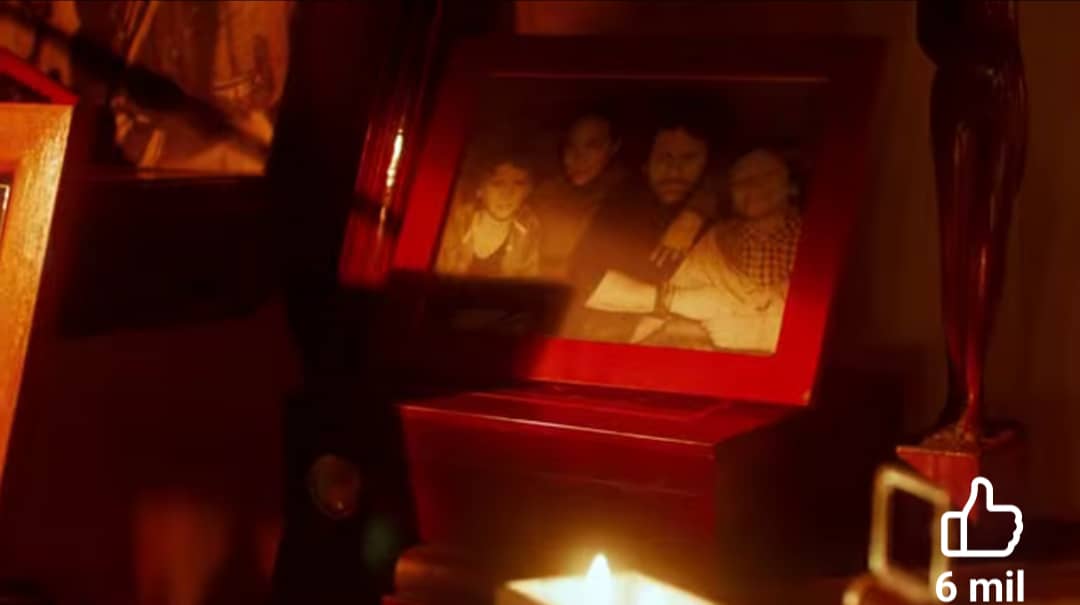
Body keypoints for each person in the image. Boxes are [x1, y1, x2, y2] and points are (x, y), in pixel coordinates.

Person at [624, 149, 803, 352]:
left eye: (766, 176)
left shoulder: (816, 244)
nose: (751, 185)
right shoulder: (713, 242)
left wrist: (753, 331)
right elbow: (668, 313)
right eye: (740, 182)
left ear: (792, 186)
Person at [566, 105, 717, 341]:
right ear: (646, 164)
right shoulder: (622, 202)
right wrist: (666, 300)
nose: (674, 169)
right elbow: (583, 275)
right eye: (664, 157)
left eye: (689, 158)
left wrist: (696, 213)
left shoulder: (723, 212)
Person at [531, 112, 628, 279]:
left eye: (592, 147)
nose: (577, 158)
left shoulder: (627, 201)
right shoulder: (545, 194)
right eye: (570, 147)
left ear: (614, 147)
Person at [435, 154, 541, 278]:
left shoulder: (529, 226)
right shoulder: (457, 221)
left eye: (518, 183)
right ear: (480, 188)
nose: (508, 193)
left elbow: (527, 279)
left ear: (527, 190)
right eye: (497, 183)